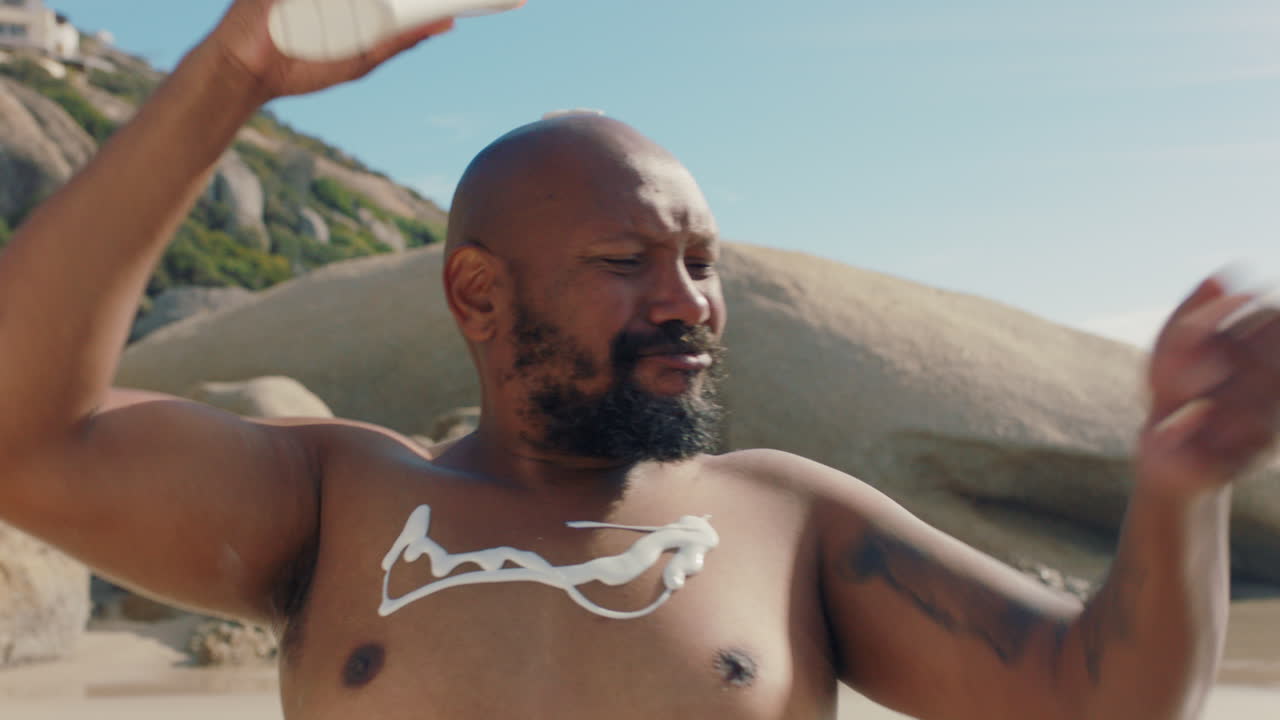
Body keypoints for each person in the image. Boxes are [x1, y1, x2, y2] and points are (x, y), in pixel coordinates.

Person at [0, 1, 1276, 718]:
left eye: (703, 262)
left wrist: (1177, 494)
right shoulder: (337, 508)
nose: (689, 305)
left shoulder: (793, 523)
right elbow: (24, 443)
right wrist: (228, 76)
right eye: (625, 263)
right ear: (475, 293)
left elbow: (1098, 702)